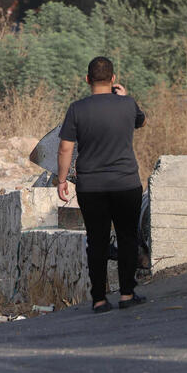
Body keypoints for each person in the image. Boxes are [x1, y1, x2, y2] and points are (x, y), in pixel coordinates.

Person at [56, 57, 146, 313]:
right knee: (128, 237)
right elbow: (141, 121)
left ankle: (99, 299)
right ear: (113, 79)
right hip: (126, 183)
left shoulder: (77, 109)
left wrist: (62, 180)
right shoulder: (128, 104)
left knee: (97, 241)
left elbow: (65, 148)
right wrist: (125, 97)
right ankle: (127, 294)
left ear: (87, 79)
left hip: (91, 187)